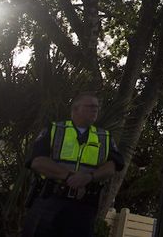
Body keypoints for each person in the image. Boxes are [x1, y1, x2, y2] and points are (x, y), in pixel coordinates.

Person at [23, 92, 124, 236]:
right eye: (90, 106)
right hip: (50, 201)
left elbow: (114, 165)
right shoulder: (54, 129)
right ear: (75, 109)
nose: (95, 109)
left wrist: (89, 177)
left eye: (96, 107)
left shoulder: (104, 137)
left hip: (83, 207)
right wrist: (70, 176)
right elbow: (37, 161)